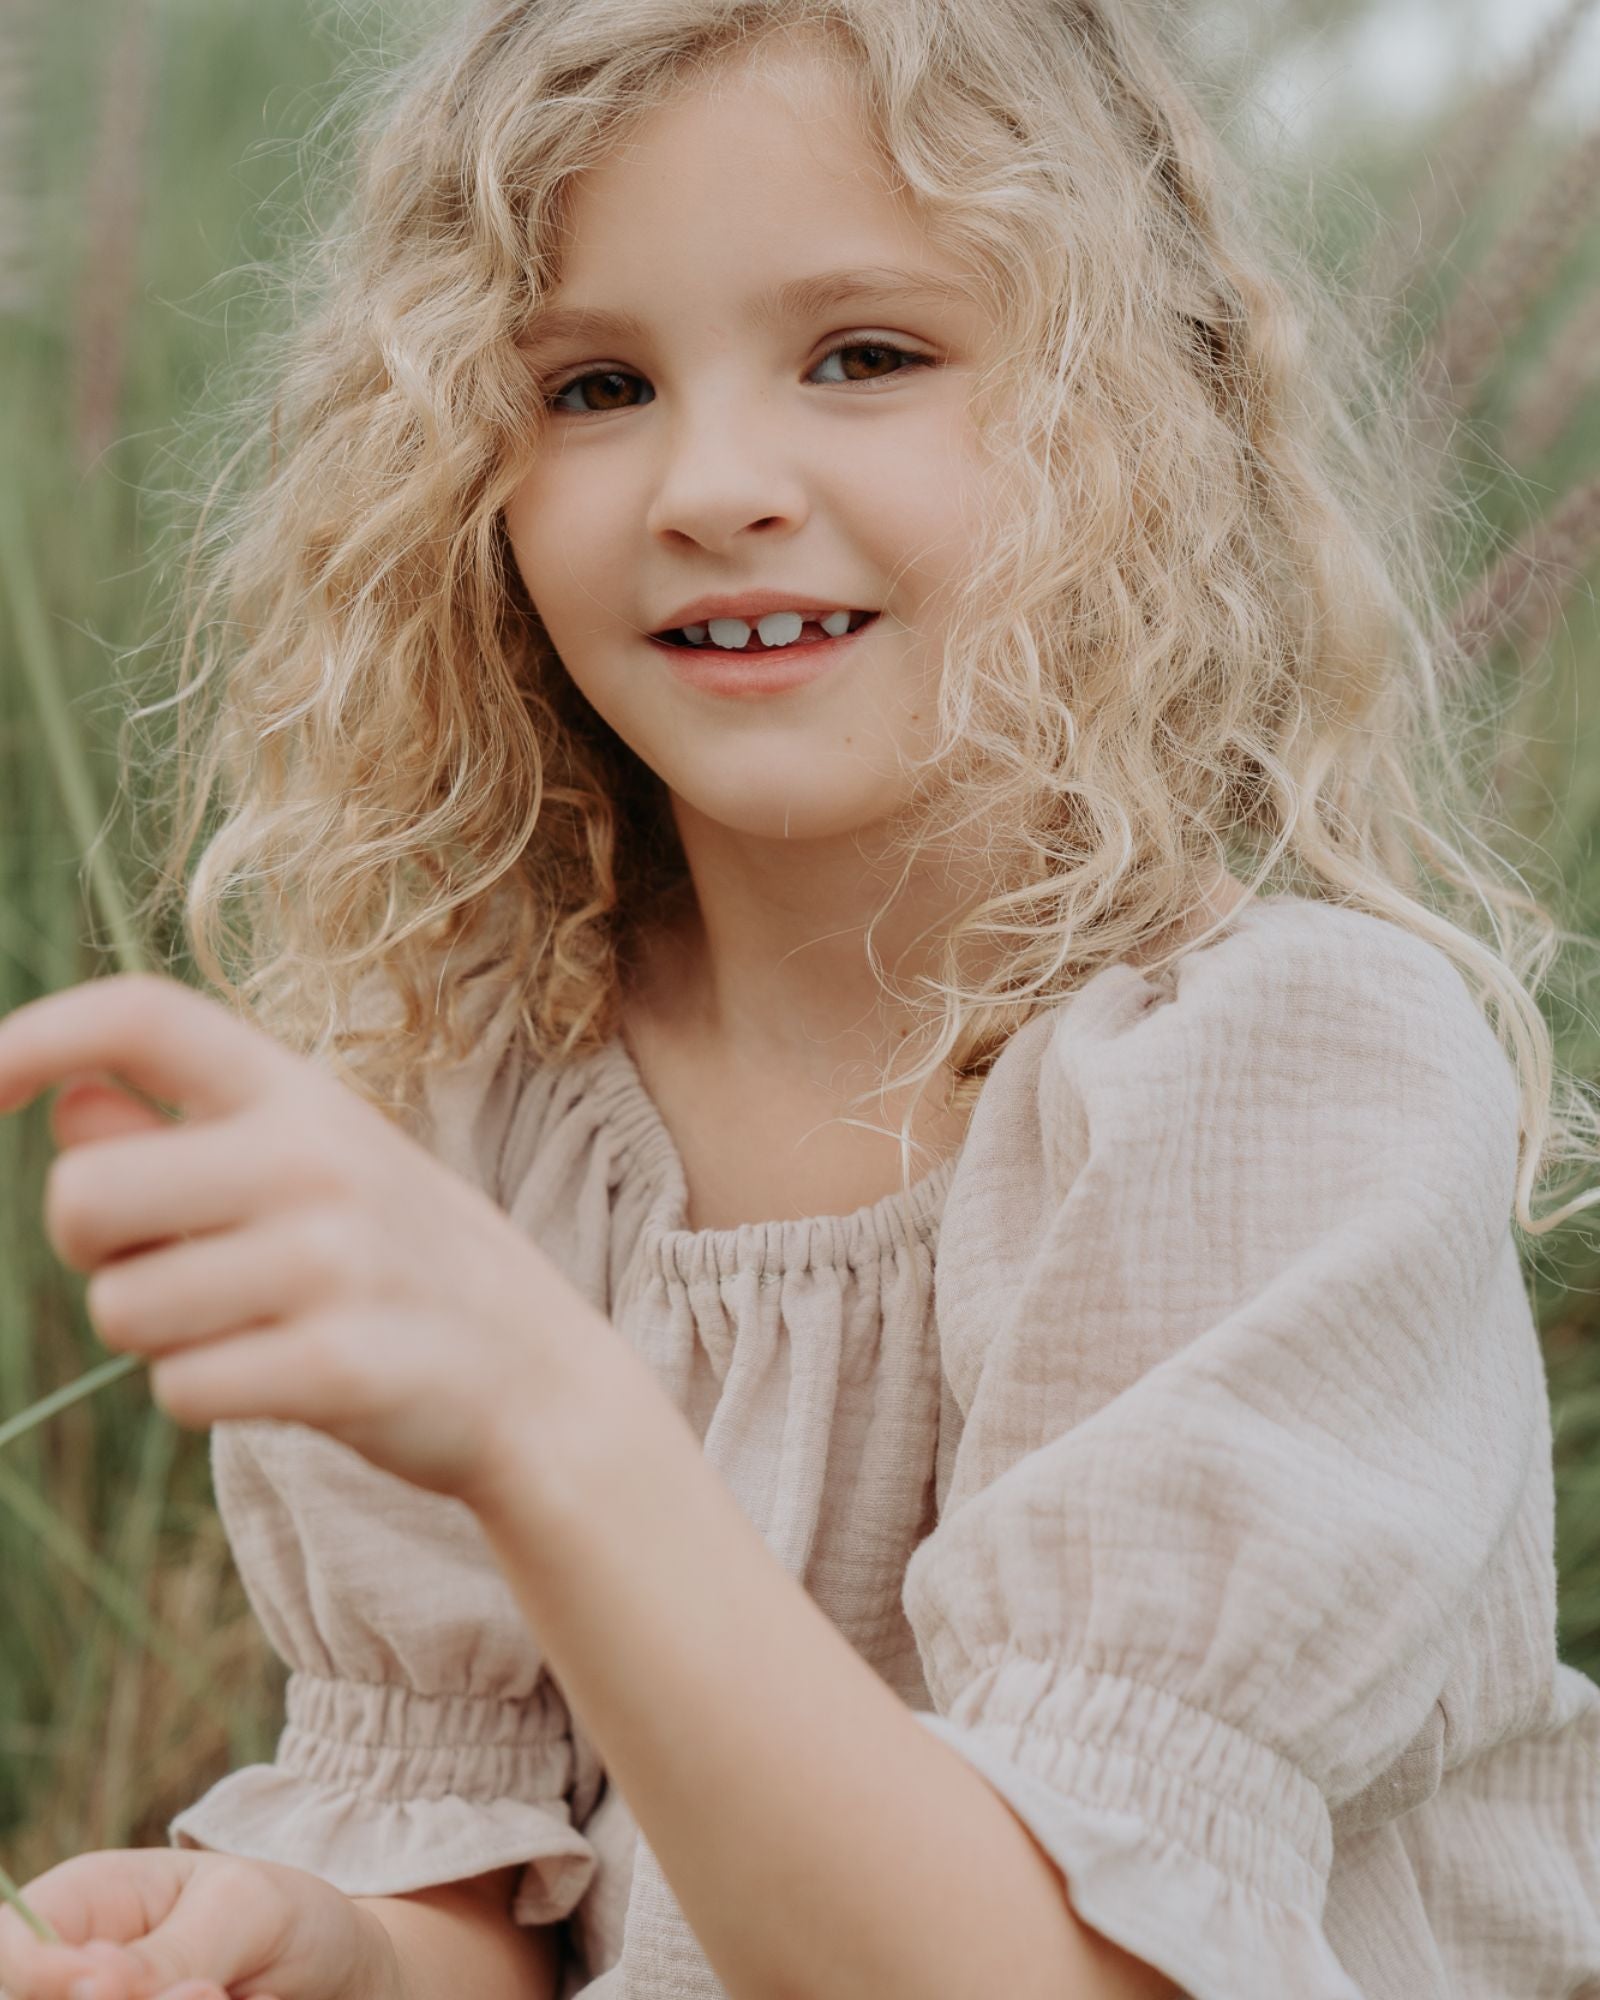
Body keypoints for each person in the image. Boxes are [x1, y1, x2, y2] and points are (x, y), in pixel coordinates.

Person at [0, 0, 1597, 1995]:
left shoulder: (1280, 1085)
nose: (712, 481)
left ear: (1143, 414)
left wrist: (538, 1409)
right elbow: (493, 1902)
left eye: (865, 356)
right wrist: (315, 1945)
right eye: (591, 383)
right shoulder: (465, 1114)